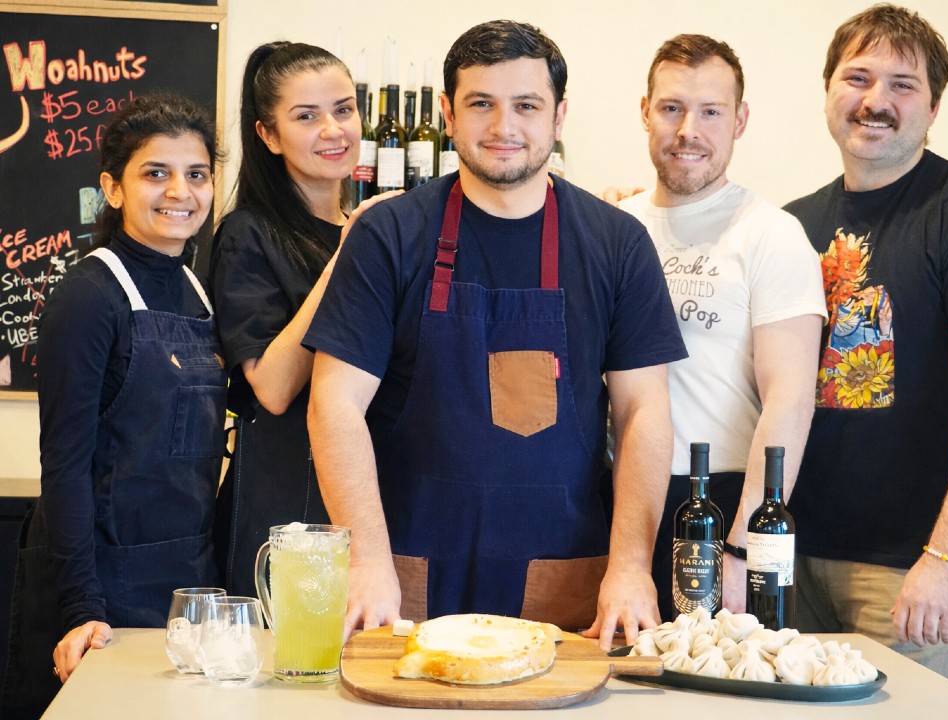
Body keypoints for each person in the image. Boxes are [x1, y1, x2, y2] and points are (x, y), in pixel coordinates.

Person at [303, 19, 687, 651]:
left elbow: (643, 410)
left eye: (527, 106)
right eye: (481, 103)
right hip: (403, 576)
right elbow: (334, 403)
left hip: (563, 575)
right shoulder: (389, 235)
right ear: (448, 114)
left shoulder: (617, 244)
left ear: (559, 117)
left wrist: (629, 566)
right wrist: (366, 559)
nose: (504, 126)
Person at [783, 4, 948, 682]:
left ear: (933, 107)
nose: (876, 100)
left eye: (903, 85)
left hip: (907, 570)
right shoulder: (789, 226)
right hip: (790, 555)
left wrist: (947, 558)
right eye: (858, 77)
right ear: (828, 90)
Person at [2, 94, 225, 718]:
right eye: (156, 172)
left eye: (197, 173)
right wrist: (82, 607)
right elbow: (65, 465)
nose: (180, 191)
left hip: (188, 578)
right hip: (102, 582)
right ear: (113, 188)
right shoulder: (88, 297)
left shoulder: (198, 290)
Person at [617, 34, 825, 621]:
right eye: (672, 108)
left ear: (740, 120)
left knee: (708, 673)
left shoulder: (771, 234)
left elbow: (790, 399)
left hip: (720, 501)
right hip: (616, 502)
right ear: (645, 111)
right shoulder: (614, 226)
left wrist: (741, 545)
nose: (689, 130)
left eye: (711, 111)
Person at [209, 42, 399, 598]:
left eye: (343, 109)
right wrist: (347, 257)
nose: (333, 130)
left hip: (366, 503)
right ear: (268, 135)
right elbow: (271, 387)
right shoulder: (247, 234)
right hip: (284, 508)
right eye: (307, 116)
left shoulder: (371, 227)